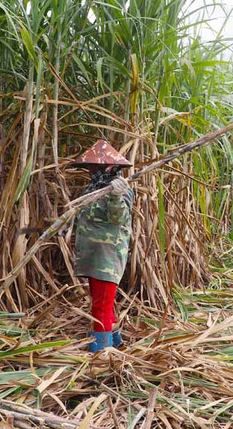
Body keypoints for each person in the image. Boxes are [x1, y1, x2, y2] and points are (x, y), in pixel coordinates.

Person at [71, 139, 135, 352]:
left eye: (95, 166)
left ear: (108, 167)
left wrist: (116, 196)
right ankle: (115, 342)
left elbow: (119, 219)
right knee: (101, 304)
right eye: (90, 167)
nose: (91, 170)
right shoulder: (93, 188)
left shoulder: (121, 189)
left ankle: (101, 355)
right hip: (92, 255)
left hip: (107, 257)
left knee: (101, 306)